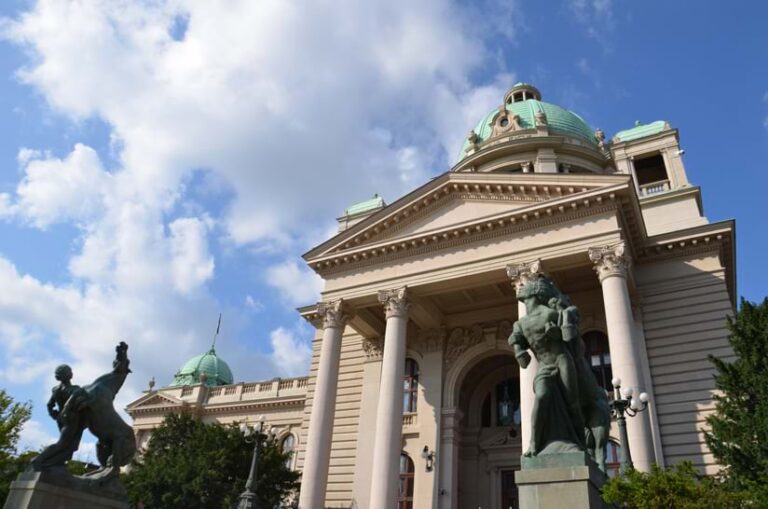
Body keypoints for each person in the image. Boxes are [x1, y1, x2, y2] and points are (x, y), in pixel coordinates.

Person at [509, 275, 585, 456]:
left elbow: (568, 337)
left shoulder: (549, 314)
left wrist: (558, 332)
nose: (521, 290)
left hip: (561, 360)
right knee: (542, 397)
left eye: (526, 290)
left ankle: (581, 445)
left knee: (572, 403)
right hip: (544, 365)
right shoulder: (520, 324)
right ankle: (534, 444)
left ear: (534, 293)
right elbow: (521, 354)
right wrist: (518, 350)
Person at [30, 365, 84, 470]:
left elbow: (49, 405)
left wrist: (55, 415)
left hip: (61, 419)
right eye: (70, 371)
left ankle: (53, 464)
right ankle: (38, 460)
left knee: (69, 446)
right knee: (63, 444)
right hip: (72, 419)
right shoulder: (74, 389)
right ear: (68, 375)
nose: (71, 373)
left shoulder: (56, 389)